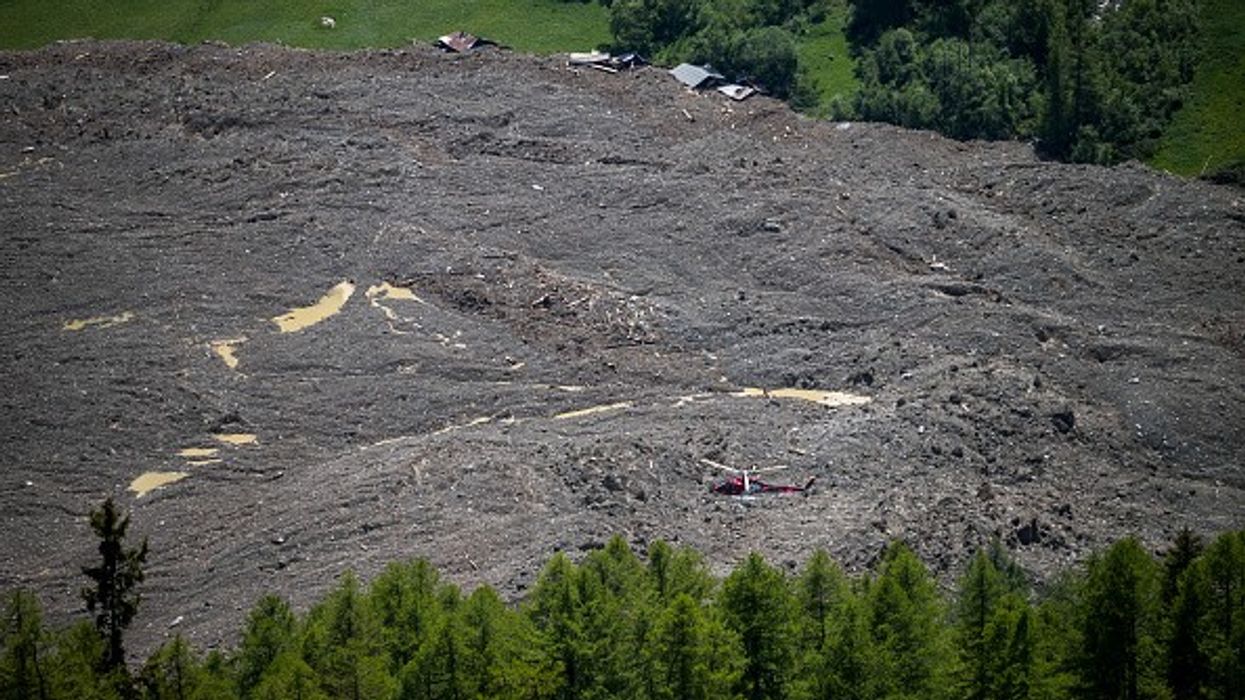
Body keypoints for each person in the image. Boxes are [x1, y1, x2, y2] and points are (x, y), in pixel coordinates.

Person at [711, 474, 816, 496]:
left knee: (777, 487)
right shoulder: (730, 489)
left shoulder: (732, 483)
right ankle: (801, 489)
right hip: (754, 489)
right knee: (776, 488)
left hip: (755, 486)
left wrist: (752, 478)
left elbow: (744, 481)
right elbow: (743, 487)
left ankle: (801, 489)